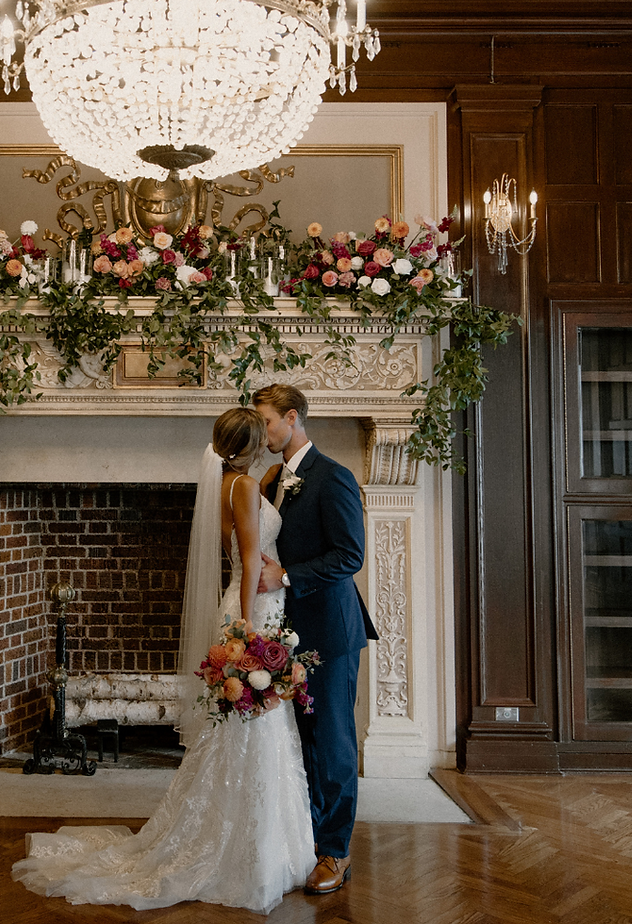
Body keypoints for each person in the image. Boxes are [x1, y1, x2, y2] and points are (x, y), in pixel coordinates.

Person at [11, 407, 315, 914]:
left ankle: (257, 843)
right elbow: (245, 560)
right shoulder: (241, 488)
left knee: (250, 731)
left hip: (256, 604)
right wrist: (245, 636)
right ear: (252, 442)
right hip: (253, 608)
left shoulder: (234, 481)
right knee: (253, 729)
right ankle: (250, 853)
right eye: (261, 435)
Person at [252, 383, 378, 896]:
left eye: (266, 423)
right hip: (288, 632)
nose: (263, 433)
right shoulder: (271, 478)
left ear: (292, 418)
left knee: (332, 745)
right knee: (300, 742)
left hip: (329, 631)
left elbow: (351, 556)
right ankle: (306, 839)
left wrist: (284, 575)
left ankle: (336, 851)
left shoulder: (334, 478)